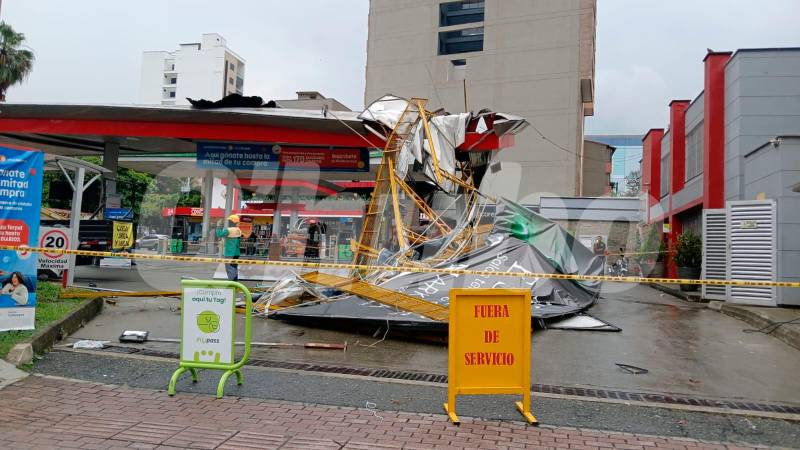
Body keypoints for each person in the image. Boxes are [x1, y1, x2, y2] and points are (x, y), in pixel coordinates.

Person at [215, 214, 242, 281]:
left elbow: (219, 235)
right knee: (234, 267)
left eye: (229, 221)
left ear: (232, 222)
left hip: (230, 252)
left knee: (229, 267)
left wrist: (218, 226)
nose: (228, 222)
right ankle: (235, 281)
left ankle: (231, 282)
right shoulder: (238, 230)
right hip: (236, 252)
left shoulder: (228, 230)